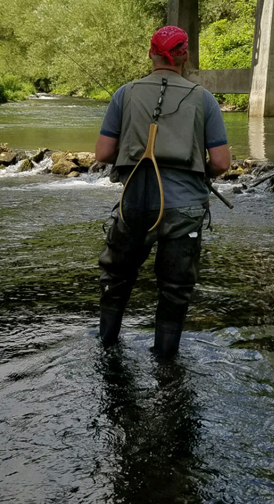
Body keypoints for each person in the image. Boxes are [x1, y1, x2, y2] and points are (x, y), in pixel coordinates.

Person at [95, 25, 231, 357]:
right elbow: (221, 162)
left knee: (116, 280)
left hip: (134, 205)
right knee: (175, 291)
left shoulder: (124, 94)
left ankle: (107, 349)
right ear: (185, 55)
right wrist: (197, 169)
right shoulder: (204, 99)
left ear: (150, 54)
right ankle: (167, 367)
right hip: (184, 211)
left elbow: (103, 154)